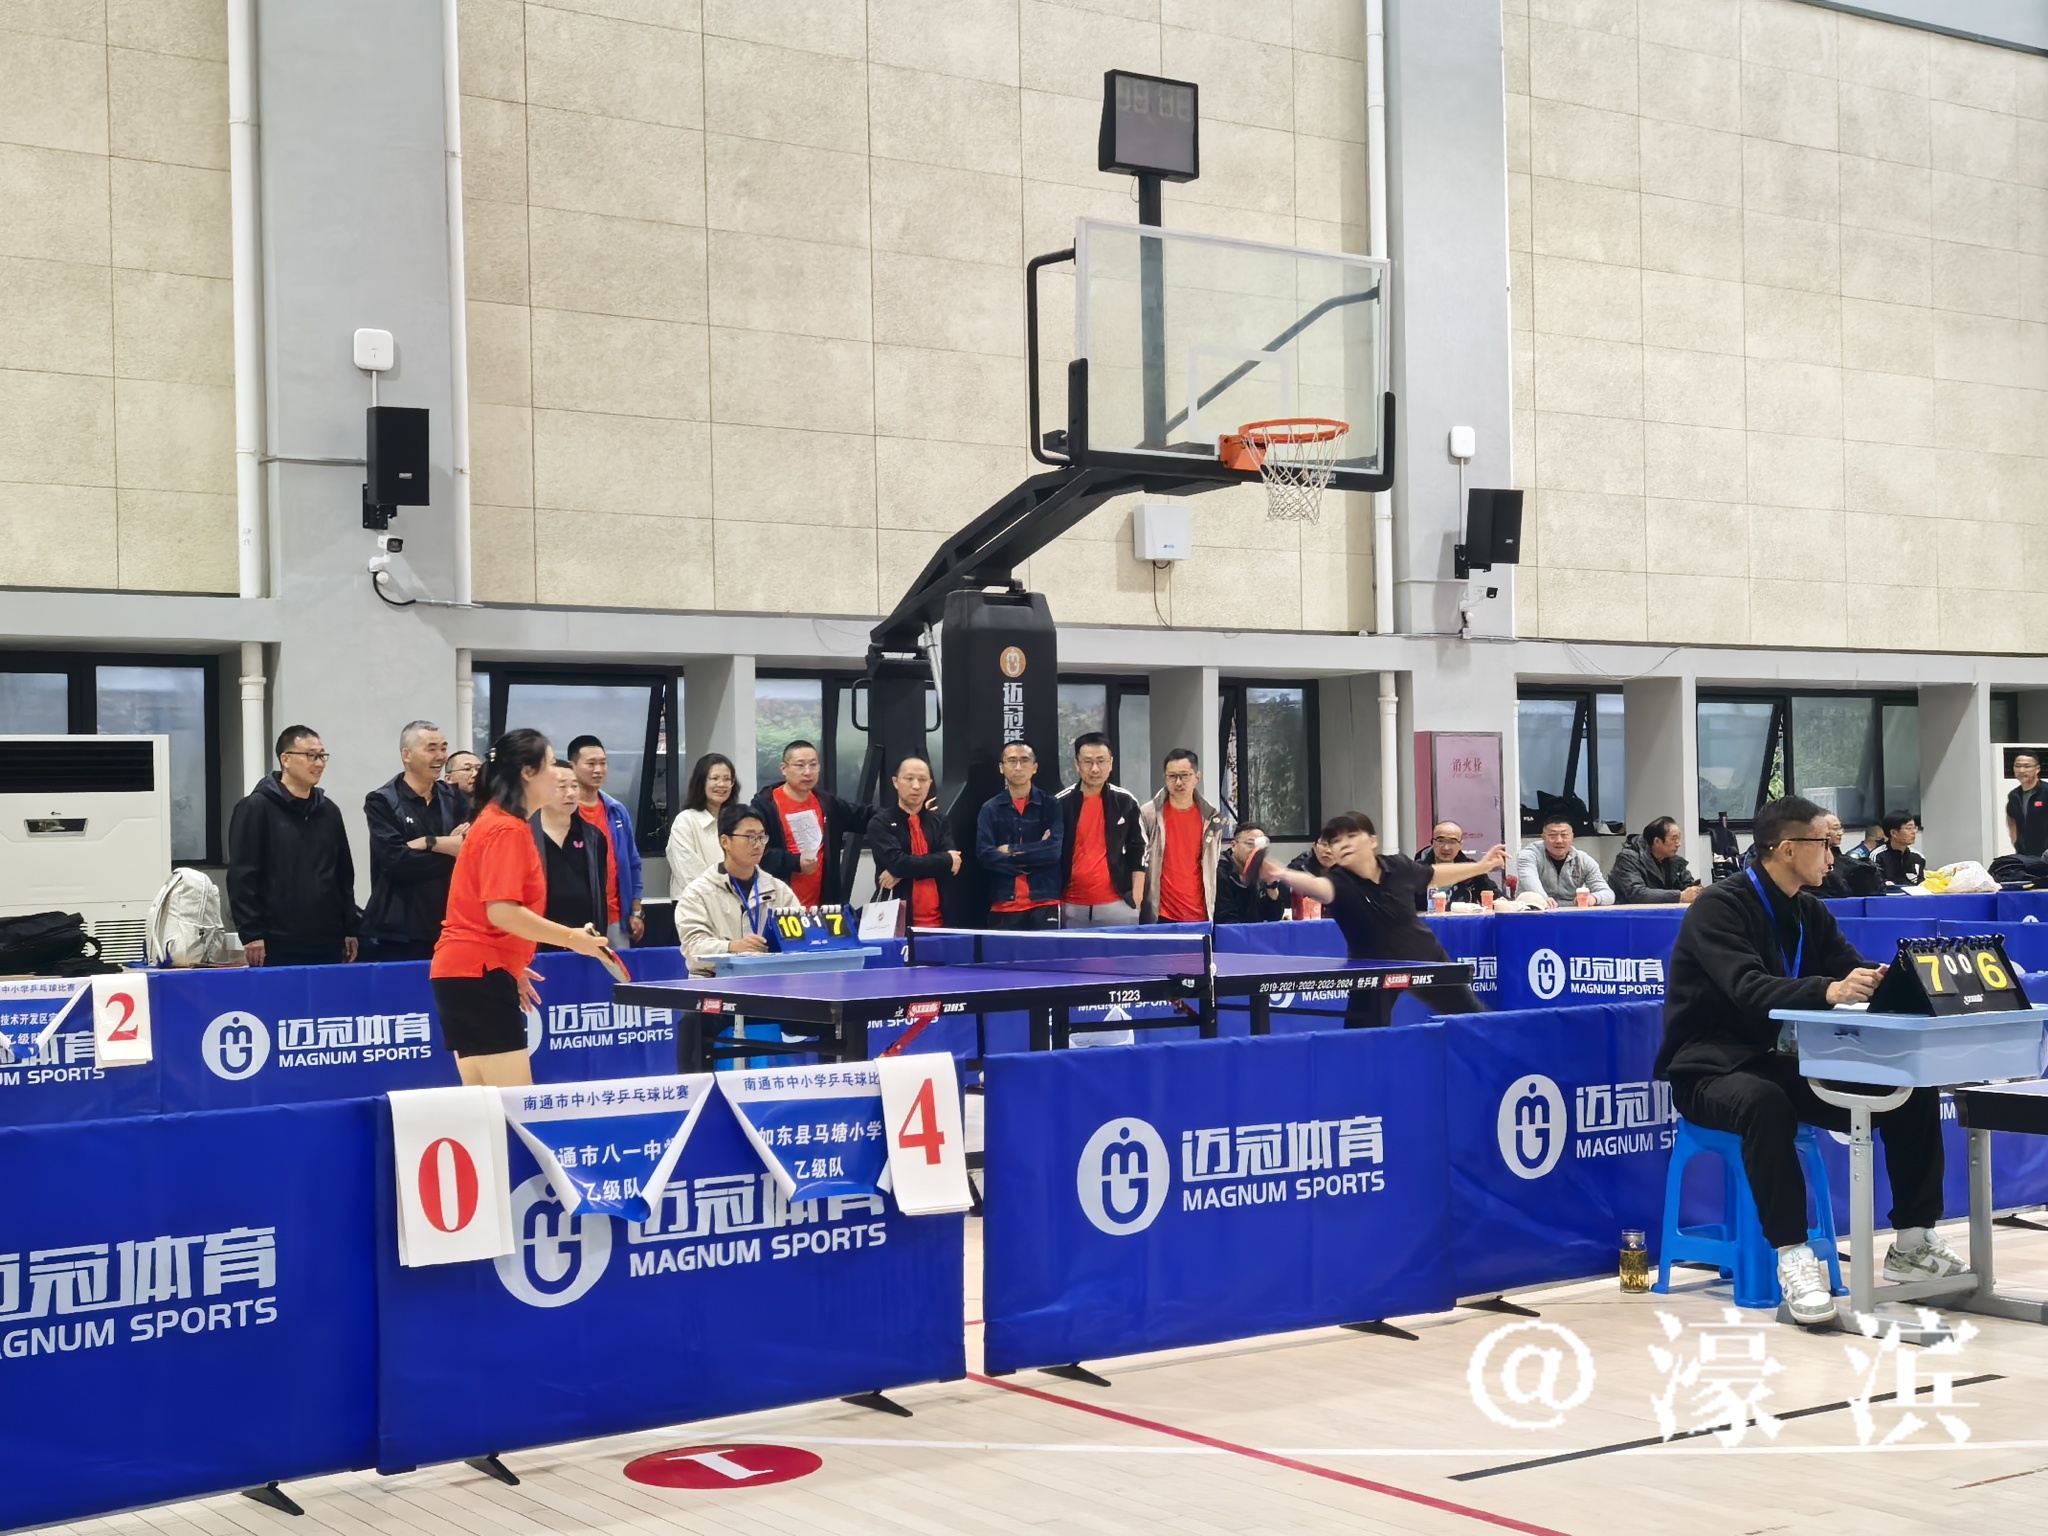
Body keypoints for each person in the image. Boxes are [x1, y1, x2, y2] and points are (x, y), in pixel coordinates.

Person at [1655, 795, 1955, 1326]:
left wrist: (1889, 981)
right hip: (1711, 1068)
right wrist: (1830, 990)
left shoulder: (1809, 909)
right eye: (1825, 845)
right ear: (1788, 848)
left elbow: (1848, 969)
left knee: (1908, 1087)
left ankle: (1912, 1241)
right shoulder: (1719, 907)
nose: (1833, 857)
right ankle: (1792, 1257)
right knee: (1764, 1102)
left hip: (1786, 1063)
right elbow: (1748, 988)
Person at [430, 730, 615, 1086]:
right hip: (479, 973)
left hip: (468, 971)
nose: (560, 774)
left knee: (485, 1105)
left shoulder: (495, 820)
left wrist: (511, 963)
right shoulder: (507, 829)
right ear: (528, 773)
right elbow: (502, 911)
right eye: (550, 764)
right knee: (513, 1106)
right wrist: (573, 938)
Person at [1259, 812, 1505, 1027]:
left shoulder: (1398, 867)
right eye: (1335, 841)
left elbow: (1433, 875)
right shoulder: (1338, 882)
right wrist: (1282, 873)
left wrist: (1482, 866)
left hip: (1424, 957)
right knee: (1362, 1037)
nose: (1343, 844)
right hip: (1372, 969)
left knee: (1474, 1019)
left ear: (1372, 841)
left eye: (1351, 836)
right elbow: (1318, 887)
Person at [227, 724, 360, 967]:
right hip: (276, 941)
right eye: (311, 756)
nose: (319, 763)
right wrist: (251, 933)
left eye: (322, 756)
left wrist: (350, 927)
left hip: (327, 939)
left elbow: (343, 874)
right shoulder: (255, 808)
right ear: (285, 759)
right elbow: (242, 876)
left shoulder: (329, 811)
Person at [359, 719, 471, 963]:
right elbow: (396, 862)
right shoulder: (382, 801)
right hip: (398, 931)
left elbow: (471, 853)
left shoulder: (455, 797)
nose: (440, 756)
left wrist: (429, 842)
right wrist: (451, 849)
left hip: (449, 925)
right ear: (406, 755)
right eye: (431, 748)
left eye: (443, 748)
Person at [676, 802, 799, 975]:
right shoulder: (697, 893)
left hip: (767, 978)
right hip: (714, 980)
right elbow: (693, 948)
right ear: (725, 841)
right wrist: (732, 947)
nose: (758, 844)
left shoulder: (779, 891)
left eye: (761, 837)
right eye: (750, 837)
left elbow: (798, 939)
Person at [750, 740, 871, 909]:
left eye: (813, 765)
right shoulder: (765, 806)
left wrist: (902, 810)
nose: (808, 772)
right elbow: (757, 853)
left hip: (822, 906)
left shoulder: (826, 803)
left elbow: (864, 818)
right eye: (800, 765)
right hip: (779, 904)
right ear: (784, 769)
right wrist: (794, 862)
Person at [1056, 732, 1148, 927]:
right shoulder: (1061, 803)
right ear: (1077, 764)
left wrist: (1137, 897)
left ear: (1111, 763)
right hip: (1070, 905)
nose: (1095, 769)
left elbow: (1139, 849)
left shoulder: (1125, 801)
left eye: (1101, 761)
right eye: (1088, 762)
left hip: (1118, 904)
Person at [566, 735, 644, 946]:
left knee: (619, 967)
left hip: (616, 919)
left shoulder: (616, 811)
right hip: (575, 922)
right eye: (591, 764)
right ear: (572, 767)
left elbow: (633, 862)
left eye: (603, 763)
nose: (598, 770)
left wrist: (636, 910)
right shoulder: (564, 811)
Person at [976, 741, 1063, 929]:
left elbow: (1053, 852)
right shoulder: (990, 809)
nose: (1018, 767)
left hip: (1044, 901)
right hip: (1004, 903)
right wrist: (1036, 852)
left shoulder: (1050, 805)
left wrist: (1010, 850)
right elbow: (985, 855)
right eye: (1012, 761)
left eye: (1024, 760)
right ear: (1001, 768)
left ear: (1035, 767)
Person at [867, 755, 960, 930]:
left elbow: (952, 867)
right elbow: (898, 863)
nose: (916, 786)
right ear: (895, 782)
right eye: (909, 779)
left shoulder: (940, 821)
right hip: (897, 924)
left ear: (930, 784)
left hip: (941, 922)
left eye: (922, 780)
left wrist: (902, 871)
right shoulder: (881, 822)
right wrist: (944, 860)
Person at [1140, 748, 1227, 923]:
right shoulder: (1149, 814)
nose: (1178, 782)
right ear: (1165, 778)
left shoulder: (1211, 818)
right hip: (1161, 914)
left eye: (1185, 775)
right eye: (1172, 776)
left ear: (1197, 776)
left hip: (1201, 914)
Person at [532, 764, 607, 946]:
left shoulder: (593, 836)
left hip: (585, 937)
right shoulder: (524, 834)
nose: (571, 793)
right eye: (561, 786)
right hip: (537, 937)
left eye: (574, 786)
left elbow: (599, 891)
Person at [667, 753, 740, 893]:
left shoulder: (737, 820)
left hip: (735, 899)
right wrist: (726, 891)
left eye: (727, 779)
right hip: (695, 901)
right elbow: (688, 873)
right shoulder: (685, 821)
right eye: (715, 778)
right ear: (701, 782)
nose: (721, 784)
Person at [1515, 816, 1615, 906]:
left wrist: (1594, 898)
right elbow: (1529, 880)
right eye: (1552, 835)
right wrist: (1543, 899)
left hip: (1570, 913)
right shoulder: (1529, 855)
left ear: (1572, 837)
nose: (1559, 841)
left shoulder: (1583, 860)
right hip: (1534, 910)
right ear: (1543, 838)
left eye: (1564, 835)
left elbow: (1608, 894)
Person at [1608, 816, 1702, 905]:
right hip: (1630, 914)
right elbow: (1637, 894)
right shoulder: (1628, 859)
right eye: (1673, 839)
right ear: (1657, 841)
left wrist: (1696, 892)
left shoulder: (1674, 861)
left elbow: (1687, 886)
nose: (1678, 844)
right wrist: (1679, 896)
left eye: (1678, 838)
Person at [1411, 821, 1498, 908]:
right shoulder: (1416, 870)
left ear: (1461, 845)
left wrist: (1500, 902)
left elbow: (1494, 896)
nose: (1446, 848)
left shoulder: (1471, 870)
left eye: (1453, 842)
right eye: (1440, 841)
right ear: (1432, 842)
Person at [1214, 823, 1287, 923]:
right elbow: (1225, 918)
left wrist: (1271, 885)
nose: (1255, 850)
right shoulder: (1220, 871)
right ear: (1233, 845)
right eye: (1250, 844)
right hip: (1231, 930)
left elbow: (1274, 916)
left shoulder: (1261, 870)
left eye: (1261, 846)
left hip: (1253, 929)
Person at [2008, 753, 2048, 857]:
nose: (2021, 770)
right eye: (2017, 766)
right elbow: (2011, 820)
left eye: (2027, 766)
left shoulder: (2046, 791)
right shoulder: (2014, 795)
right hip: (2025, 854)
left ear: (2037, 769)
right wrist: (2016, 843)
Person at [1873, 810, 1926, 887]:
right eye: (1909, 828)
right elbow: (1874, 885)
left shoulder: (1918, 857)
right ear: (1894, 833)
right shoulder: (1878, 856)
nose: (1913, 832)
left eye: (1914, 828)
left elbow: (1920, 883)